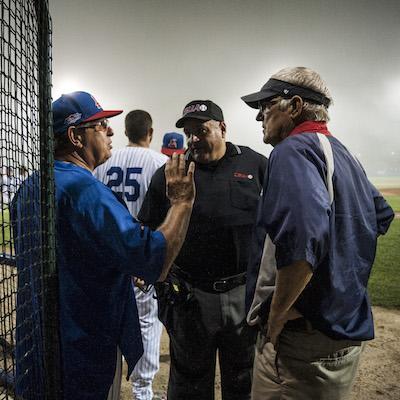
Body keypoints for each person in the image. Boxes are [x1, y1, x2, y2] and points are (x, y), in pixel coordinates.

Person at [11, 91, 195, 400]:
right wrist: (181, 203)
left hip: (36, 344)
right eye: (100, 125)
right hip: (83, 349)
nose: (111, 131)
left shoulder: (30, 186)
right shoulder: (86, 190)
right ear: (75, 136)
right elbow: (155, 261)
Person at [241, 67, 395, 400]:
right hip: (341, 332)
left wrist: (278, 315)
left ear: (294, 106)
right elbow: (380, 216)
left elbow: (303, 239)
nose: (259, 117)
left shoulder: (292, 150)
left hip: (302, 342)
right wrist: (338, 285)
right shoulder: (344, 153)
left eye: (266, 105)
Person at [138, 100, 268, 400]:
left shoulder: (254, 164)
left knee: (245, 378)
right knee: (189, 384)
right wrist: (157, 278)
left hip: (243, 292)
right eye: (189, 132)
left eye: (202, 129)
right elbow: (147, 227)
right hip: (190, 296)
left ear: (222, 128)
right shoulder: (171, 172)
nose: (194, 138)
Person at [94, 109, 168, 400]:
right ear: (149, 133)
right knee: (147, 322)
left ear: (125, 132)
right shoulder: (160, 161)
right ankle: (142, 391)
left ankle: (109, 389)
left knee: (108, 321)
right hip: (142, 252)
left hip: (109, 254)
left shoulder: (105, 161)